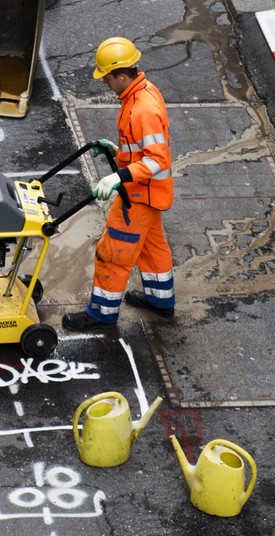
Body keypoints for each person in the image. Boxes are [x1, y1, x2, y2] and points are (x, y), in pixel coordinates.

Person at [63, 37, 176, 331]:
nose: (105, 83)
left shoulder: (142, 109)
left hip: (138, 196)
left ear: (121, 75)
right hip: (150, 194)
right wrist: (118, 152)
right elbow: (141, 149)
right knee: (152, 250)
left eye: (107, 77)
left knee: (112, 253)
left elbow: (156, 160)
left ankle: (101, 312)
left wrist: (118, 176)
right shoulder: (142, 94)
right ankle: (161, 301)